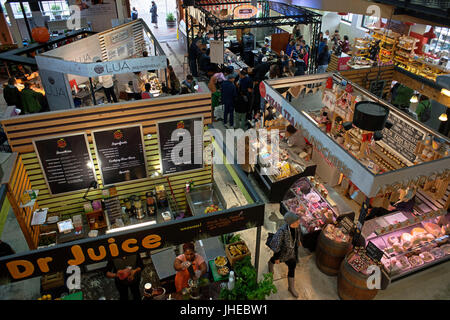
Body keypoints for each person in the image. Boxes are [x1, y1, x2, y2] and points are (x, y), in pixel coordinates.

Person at [267, 211, 302, 298]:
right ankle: (270, 263)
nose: (299, 222)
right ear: (291, 223)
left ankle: (291, 287)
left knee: (292, 267)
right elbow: (276, 245)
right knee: (274, 260)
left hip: (291, 254)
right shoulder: (282, 232)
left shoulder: (297, 228)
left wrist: (298, 241)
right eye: (297, 221)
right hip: (282, 253)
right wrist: (276, 258)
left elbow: (297, 236)